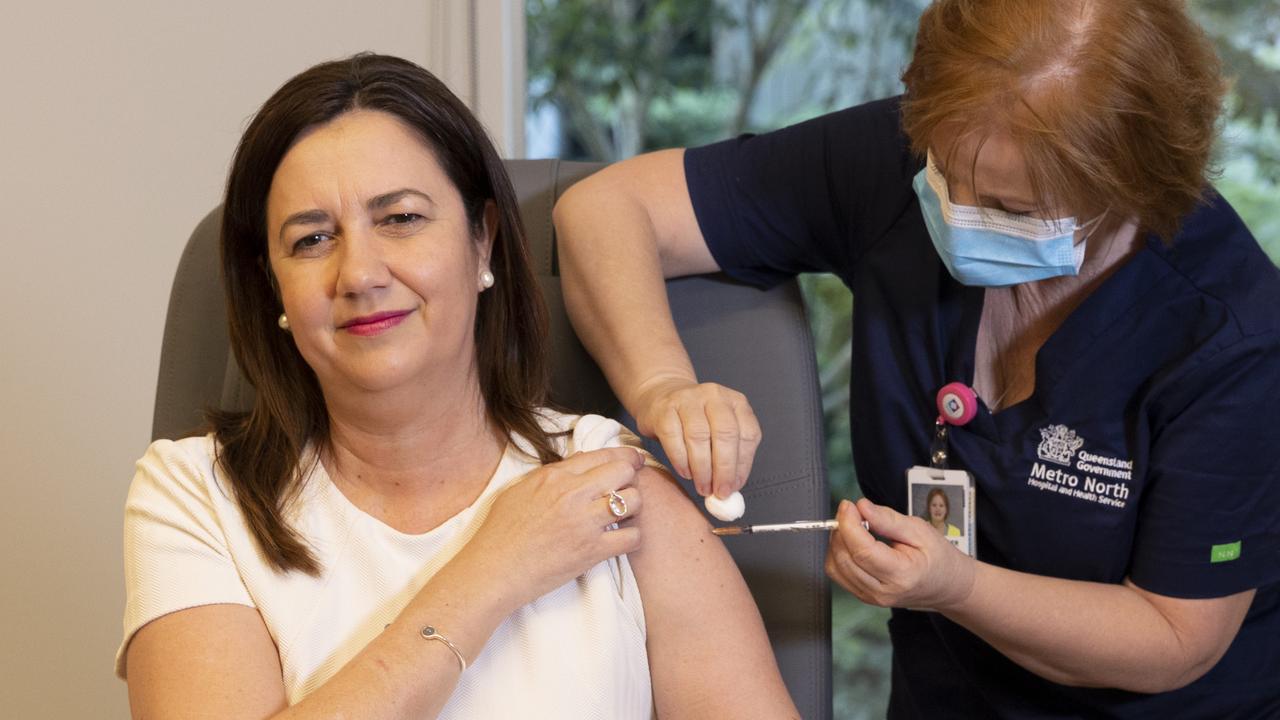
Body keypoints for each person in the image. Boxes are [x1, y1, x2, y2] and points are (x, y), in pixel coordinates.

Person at [554, 0, 1280, 716]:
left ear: (1128, 190)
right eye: (943, 176)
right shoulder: (903, 163)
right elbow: (604, 211)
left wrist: (958, 587)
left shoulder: (1231, 339)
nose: (957, 217)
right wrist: (663, 385)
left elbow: (1175, 637)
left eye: (1011, 210)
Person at [116, 53, 798, 720]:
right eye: (313, 239)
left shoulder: (610, 489)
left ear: (483, 242)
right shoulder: (195, 497)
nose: (359, 274)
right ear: (275, 287)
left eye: (401, 219)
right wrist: (493, 570)